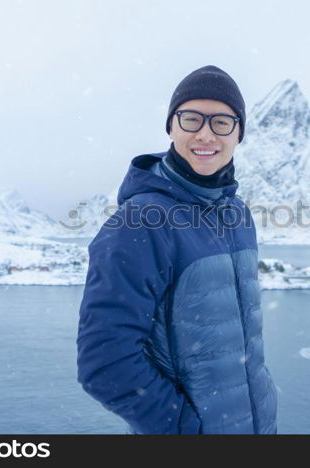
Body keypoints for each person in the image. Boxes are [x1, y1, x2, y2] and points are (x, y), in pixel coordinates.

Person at [76, 65, 278, 434]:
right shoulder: (140, 221)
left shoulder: (238, 215)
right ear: (171, 126)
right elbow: (104, 364)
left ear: (239, 133)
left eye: (221, 122)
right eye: (191, 119)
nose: (205, 134)